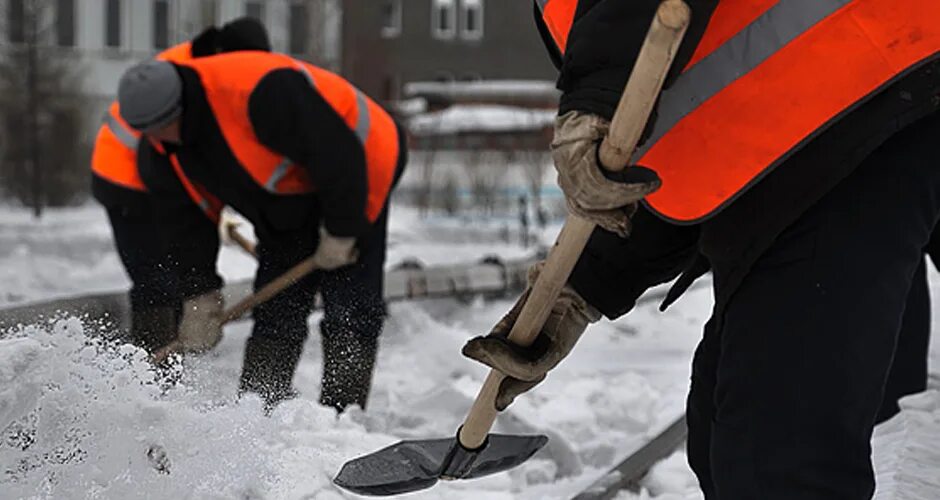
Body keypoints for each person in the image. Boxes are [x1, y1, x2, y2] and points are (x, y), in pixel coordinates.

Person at [462, 1, 940, 498]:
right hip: (818, 113)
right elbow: (686, 129)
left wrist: (598, 96)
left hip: (867, 87)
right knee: (728, 432)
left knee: (781, 457)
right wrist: (583, 287)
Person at [115, 50, 407, 413]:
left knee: (349, 304)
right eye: (151, 131)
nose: (161, 137)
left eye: (165, 124)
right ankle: (258, 412)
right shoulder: (161, 152)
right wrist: (200, 295)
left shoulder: (262, 94)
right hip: (286, 197)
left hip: (362, 163)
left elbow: (337, 153)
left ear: (182, 104)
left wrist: (343, 230)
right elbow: (186, 225)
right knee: (277, 306)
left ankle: (341, 417)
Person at [91, 18, 271, 352]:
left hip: (150, 174)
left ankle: (171, 357)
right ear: (228, 54)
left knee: (171, 275)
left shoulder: (200, 64)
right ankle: (153, 370)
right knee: (156, 280)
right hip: (127, 178)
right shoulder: (194, 74)